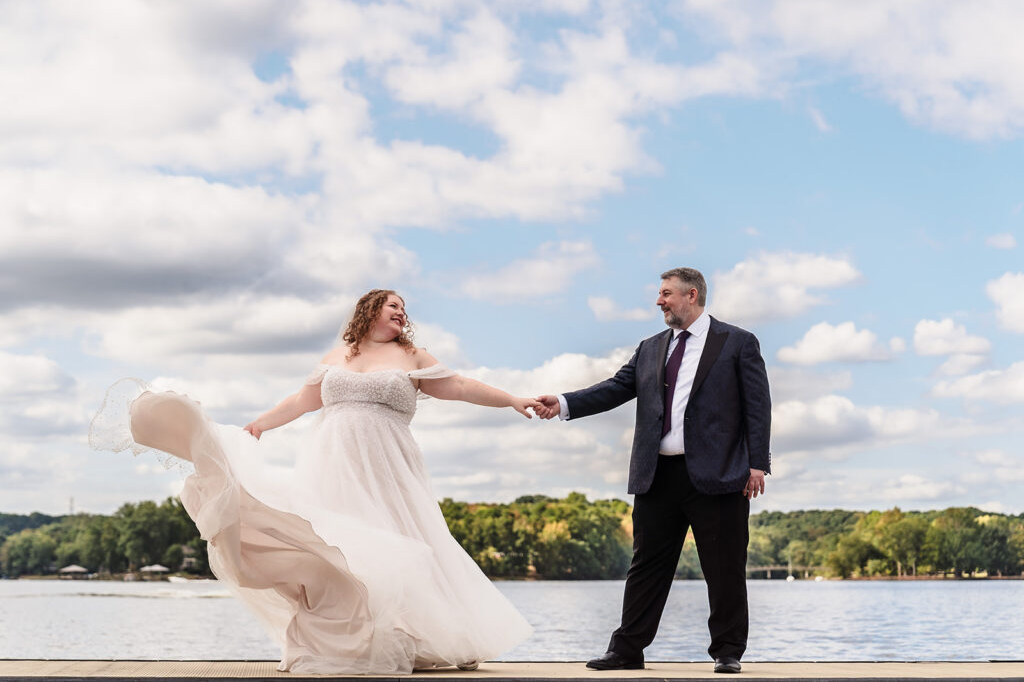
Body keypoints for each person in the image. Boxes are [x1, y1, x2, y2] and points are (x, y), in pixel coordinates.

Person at [90, 289, 536, 675]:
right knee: (340, 546)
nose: (401, 313)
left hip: (388, 464)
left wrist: (513, 399)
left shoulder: (412, 357)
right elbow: (303, 400)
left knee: (403, 537)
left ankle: (430, 635)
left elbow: (458, 385)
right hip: (333, 463)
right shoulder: (339, 357)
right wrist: (261, 424)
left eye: (404, 309)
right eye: (392, 306)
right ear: (369, 311)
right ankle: (351, 637)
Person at [535, 267, 771, 675]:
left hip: (718, 477)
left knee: (725, 565)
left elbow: (758, 406)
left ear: (691, 295)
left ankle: (727, 651)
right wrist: (563, 402)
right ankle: (627, 649)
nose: (659, 301)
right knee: (646, 566)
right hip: (656, 475)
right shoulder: (649, 348)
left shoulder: (737, 342)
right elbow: (614, 387)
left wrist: (757, 464)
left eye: (665, 294)